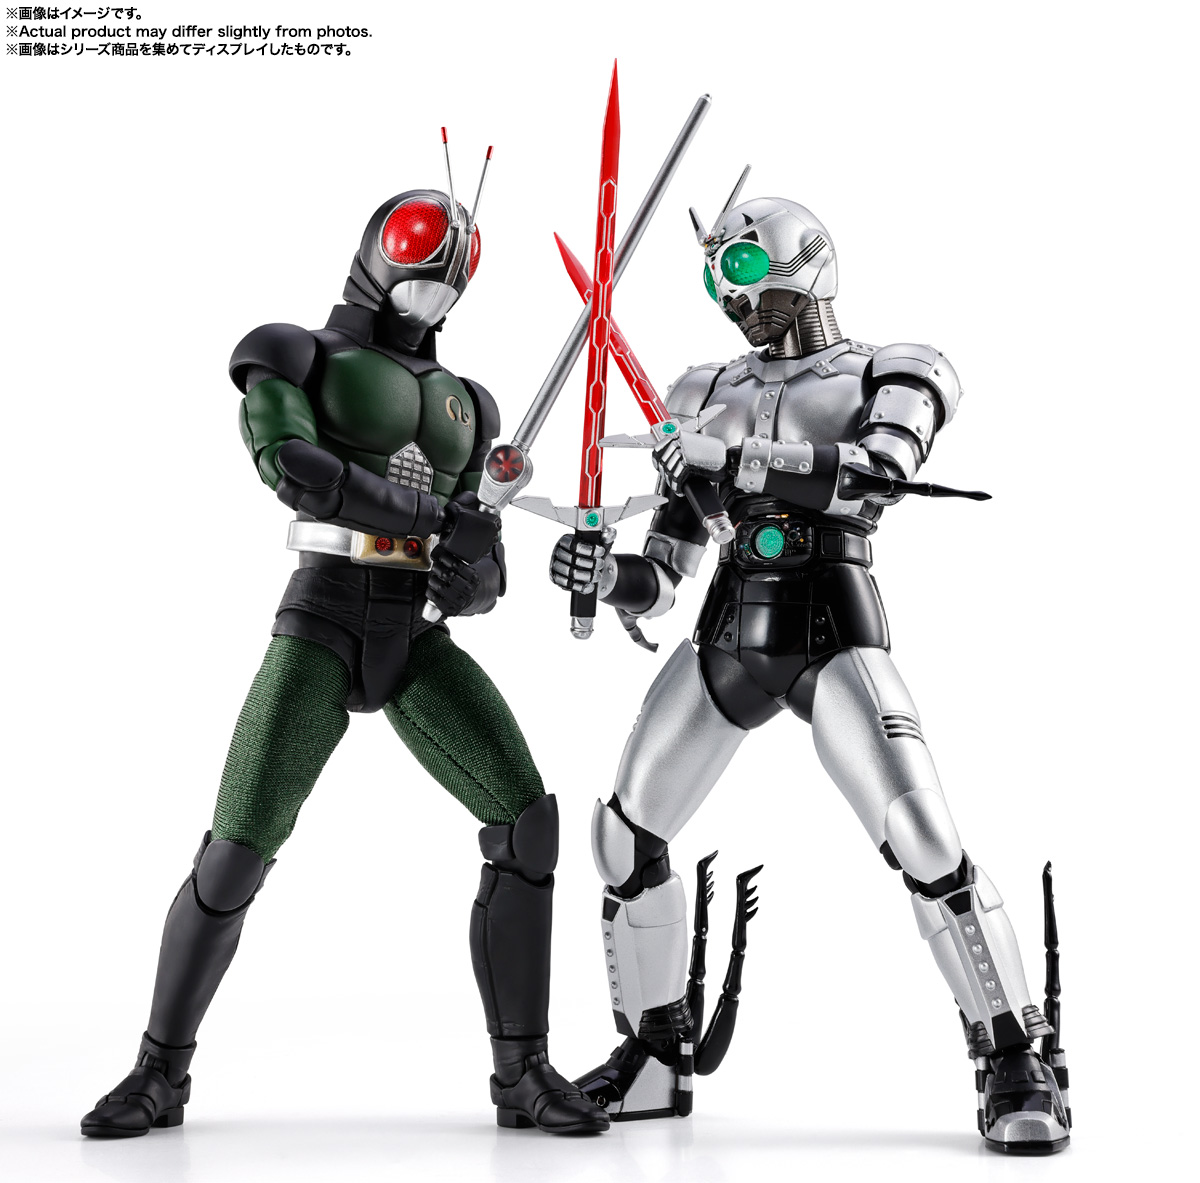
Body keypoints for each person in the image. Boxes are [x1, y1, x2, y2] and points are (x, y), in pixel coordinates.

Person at [81, 185, 609, 1138]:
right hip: (323, 615)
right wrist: (434, 515)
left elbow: (484, 575)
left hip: (415, 630)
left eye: (458, 260)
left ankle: (522, 1071)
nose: (439, 273)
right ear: (376, 246)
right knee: (237, 845)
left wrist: (470, 566)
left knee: (526, 822)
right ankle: (159, 1070)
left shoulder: (470, 404)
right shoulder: (295, 352)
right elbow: (294, 467)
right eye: (422, 242)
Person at [550, 192, 1069, 1153]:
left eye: (745, 269)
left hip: (832, 624)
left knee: (924, 837)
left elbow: (879, 472)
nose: (730, 295)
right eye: (716, 277)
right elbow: (665, 571)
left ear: (808, 260)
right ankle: (656, 1055)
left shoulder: (893, 369)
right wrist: (604, 574)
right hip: (728, 632)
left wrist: (737, 453)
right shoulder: (702, 387)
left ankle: (1014, 1056)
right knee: (623, 837)